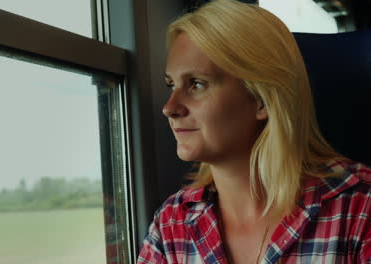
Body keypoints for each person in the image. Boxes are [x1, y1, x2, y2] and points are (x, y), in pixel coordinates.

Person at [137, 0, 371, 263]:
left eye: (197, 84)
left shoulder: (360, 208)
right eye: (171, 85)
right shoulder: (170, 226)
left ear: (262, 98)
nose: (170, 108)